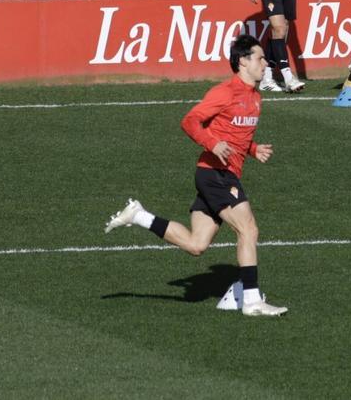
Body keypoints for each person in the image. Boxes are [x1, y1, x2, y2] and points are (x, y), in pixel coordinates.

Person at [104, 34, 288, 317]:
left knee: (196, 245)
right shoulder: (225, 92)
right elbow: (190, 121)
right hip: (216, 174)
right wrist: (213, 144)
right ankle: (252, 301)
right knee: (248, 229)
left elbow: (234, 133)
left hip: (217, 174)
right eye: (260, 57)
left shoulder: (255, 96)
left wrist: (252, 149)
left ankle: (139, 215)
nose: (265, 62)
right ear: (243, 61)